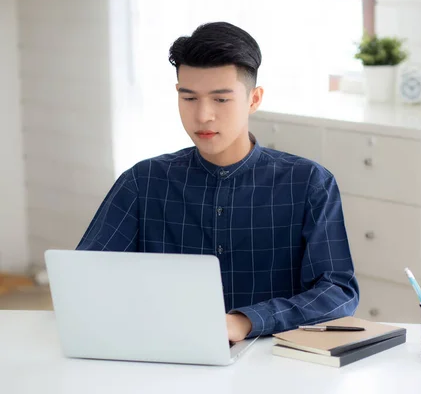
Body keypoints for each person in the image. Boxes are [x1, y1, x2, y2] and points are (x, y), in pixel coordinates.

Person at [76, 21, 359, 342]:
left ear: (254, 99)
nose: (203, 116)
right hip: (164, 355)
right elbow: (86, 278)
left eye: (221, 100)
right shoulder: (143, 182)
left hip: (274, 361)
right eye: (189, 98)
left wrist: (246, 321)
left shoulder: (307, 182)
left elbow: (338, 292)